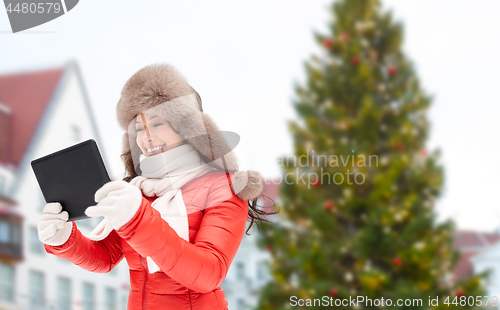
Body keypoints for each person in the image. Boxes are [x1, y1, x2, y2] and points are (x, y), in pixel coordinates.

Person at [37, 64, 277, 310]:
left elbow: (209, 273)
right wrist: (65, 239)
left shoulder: (223, 187)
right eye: (139, 128)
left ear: (187, 128)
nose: (146, 137)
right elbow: (106, 257)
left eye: (158, 124)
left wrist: (138, 219)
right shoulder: (139, 191)